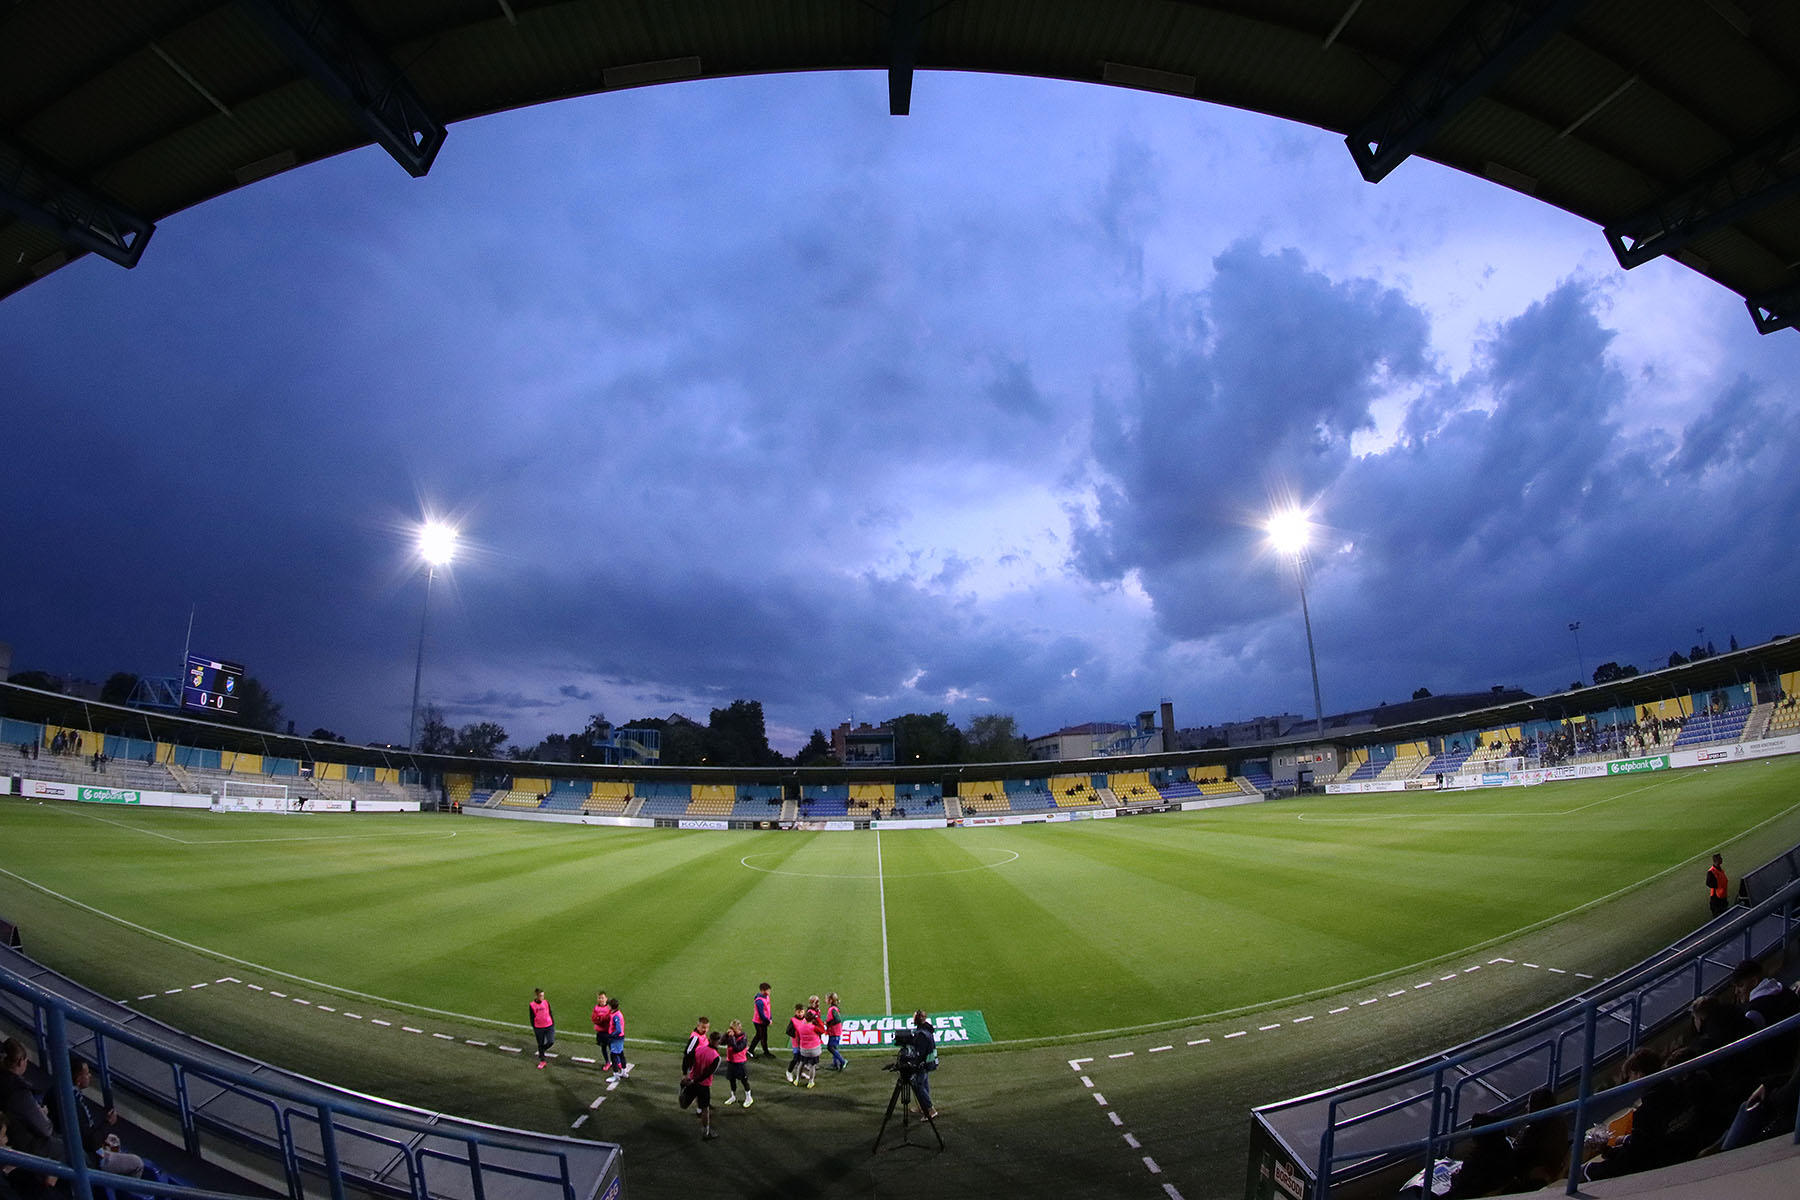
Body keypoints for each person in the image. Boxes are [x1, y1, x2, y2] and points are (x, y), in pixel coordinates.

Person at [66, 1056, 144, 1178]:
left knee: (113, 1140)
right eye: (87, 1074)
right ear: (78, 1079)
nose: (90, 1076)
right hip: (90, 1155)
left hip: (85, 1147)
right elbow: (91, 1142)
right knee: (137, 1163)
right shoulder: (74, 1104)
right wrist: (107, 1123)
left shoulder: (61, 1092)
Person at [678, 1031, 721, 1140]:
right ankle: (706, 1133)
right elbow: (708, 1073)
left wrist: (687, 1074)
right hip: (703, 1085)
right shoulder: (716, 1057)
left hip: (691, 1081)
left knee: (683, 1105)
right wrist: (695, 1080)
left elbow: (688, 1057)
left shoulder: (699, 1049)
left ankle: (681, 1089)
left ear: (709, 1039)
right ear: (718, 1042)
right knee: (705, 1109)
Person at [905, 1010, 939, 1119]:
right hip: (929, 1061)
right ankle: (922, 1105)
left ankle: (929, 1109)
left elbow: (920, 1053)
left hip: (923, 1063)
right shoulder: (926, 1029)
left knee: (918, 1085)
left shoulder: (921, 1034)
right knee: (923, 1083)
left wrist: (912, 1063)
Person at [720, 1019, 753, 1107]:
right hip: (730, 1061)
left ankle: (749, 1098)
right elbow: (721, 1042)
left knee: (744, 1081)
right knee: (731, 1080)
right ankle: (733, 1096)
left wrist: (731, 1037)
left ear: (739, 1029)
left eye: (733, 1029)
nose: (732, 1031)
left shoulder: (743, 1038)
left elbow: (737, 1048)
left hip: (740, 1063)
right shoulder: (731, 1035)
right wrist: (726, 1035)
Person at [528, 988, 555, 1069]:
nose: (542, 997)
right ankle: (542, 1061)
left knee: (551, 1041)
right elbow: (532, 1017)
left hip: (549, 1025)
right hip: (539, 1027)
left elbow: (550, 1012)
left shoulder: (546, 1002)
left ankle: (542, 1050)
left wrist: (552, 1023)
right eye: (540, 996)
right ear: (536, 996)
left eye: (543, 996)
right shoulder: (532, 1005)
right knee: (540, 1043)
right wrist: (535, 1027)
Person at [824, 992, 847, 1071]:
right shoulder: (834, 1008)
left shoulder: (832, 1009)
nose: (825, 1000)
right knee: (834, 1047)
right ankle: (835, 1064)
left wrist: (829, 1023)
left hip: (834, 1032)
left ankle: (842, 1061)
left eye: (827, 999)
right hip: (835, 1031)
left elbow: (837, 1019)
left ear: (830, 1000)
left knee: (830, 1048)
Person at [750, 982, 773, 1058]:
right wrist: (767, 1021)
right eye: (768, 991)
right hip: (759, 1022)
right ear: (763, 991)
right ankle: (750, 1050)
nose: (769, 992)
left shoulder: (766, 997)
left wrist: (770, 1018)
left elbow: (769, 1009)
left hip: (764, 1021)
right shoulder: (759, 1001)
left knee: (763, 1036)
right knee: (759, 1036)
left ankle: (765, 1051)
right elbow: (761, 1014)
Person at [606, 997, 629, 1074]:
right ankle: (624, 1072)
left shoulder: (615, 1016)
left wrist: (611, 1035)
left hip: (616, 1038)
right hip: (620, 1037)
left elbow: (618, 1030)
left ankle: (615, 1075)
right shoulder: (617, 1013)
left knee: (614, 1056)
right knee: (621, 1054)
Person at [590, 991, 612, 1067]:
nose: (601, 1000)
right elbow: (594, 1019)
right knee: (603, 1048)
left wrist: (601, 1018)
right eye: (599, 998)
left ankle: (616, 1062)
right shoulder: (596, 1008)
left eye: (602, 998)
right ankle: (607, 1062)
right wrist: (600, 1019)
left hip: (609, 1031)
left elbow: (610, 1018)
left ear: (606, 999)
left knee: (612, 1048)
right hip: (600, 1032)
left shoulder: (609, 1008)